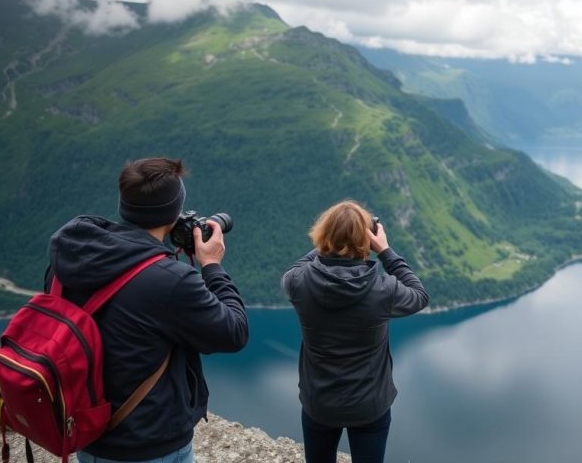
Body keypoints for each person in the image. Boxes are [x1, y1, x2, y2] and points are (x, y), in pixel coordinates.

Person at [44, 157, 249, 463]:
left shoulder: (69, 258)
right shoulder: (169, 282)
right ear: (174, 211)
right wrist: (212, 266)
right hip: (150, 445)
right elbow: (234, 332)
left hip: (87, 432)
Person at [282, 200, 429, 463]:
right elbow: (419, 295)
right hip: (370, 406)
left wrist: (330, 241)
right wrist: (384, 250)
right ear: (367, 240)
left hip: (320, 403)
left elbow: (296, 267)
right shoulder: (384, 290)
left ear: (323, 235)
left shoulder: (297, 283)